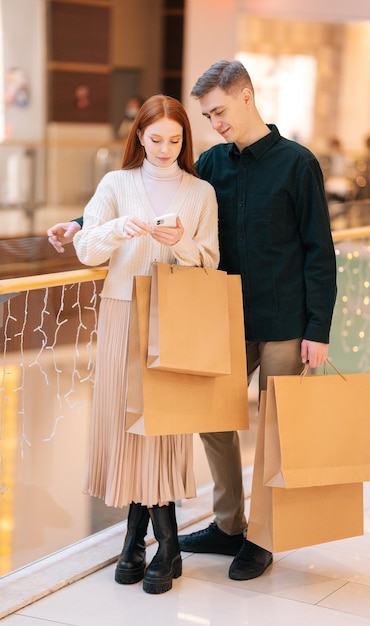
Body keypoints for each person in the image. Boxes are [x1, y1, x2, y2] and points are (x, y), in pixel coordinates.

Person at [47, 59, 337, 583]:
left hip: (282, 319)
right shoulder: (215, 164)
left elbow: (321, 250)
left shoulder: (298, 163)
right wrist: (80, 223)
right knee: (212, 423)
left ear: (247, 96)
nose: (215, 123)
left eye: (219, 111)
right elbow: (149, 193)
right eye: (207, 116)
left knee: (273, 430)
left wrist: (318, 329)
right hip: (215, 316)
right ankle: (228, 525)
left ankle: (261, 539)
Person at [70, 94, 219, 595]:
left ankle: (149, 542)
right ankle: (156, 542)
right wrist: (118, 227)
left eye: (175, 141)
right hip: (120, 313)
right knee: (128, 425)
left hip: (174, 316)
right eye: (155, 139)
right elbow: (87, 249)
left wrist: (177, 240)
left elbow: (210, 261)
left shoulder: (199, 192)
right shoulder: (116, 184)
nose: (165, 149)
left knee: (163, 427)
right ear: (139, 136)